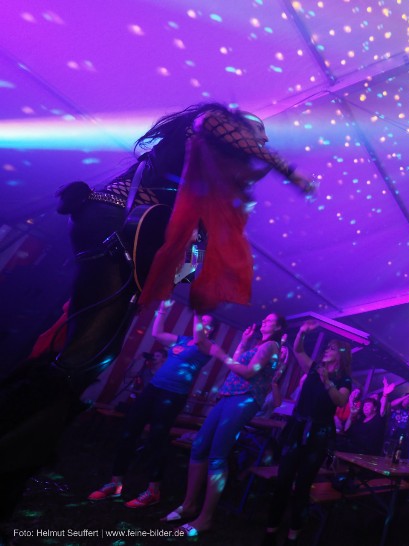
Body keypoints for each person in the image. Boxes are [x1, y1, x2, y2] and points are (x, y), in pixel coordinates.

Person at [0, 103, 314, 520]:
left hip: (127, 231)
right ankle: (13, 446)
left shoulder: (207, 168)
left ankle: (24, 452)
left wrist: (190, 261)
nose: (263, 140)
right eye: (257, 132)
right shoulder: (210, 125)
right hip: (115, 223)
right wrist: (292, 173)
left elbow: (207, 224)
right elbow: (247, 155)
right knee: (83, 358)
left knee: (93, 357)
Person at [163, 312, 286, 536]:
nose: (264, 321)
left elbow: (249, 372)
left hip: (245, 398)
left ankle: (206, 518)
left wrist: (220, 354)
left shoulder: (272, 346)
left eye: (270, 320)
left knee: (217, 455)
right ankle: (189, 504)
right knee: (199, 446)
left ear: (278, 328)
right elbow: (235, 363)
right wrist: (243, 342)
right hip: (229, 395)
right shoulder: (258, 344)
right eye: (265, 319)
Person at [87, 300, 219, 508]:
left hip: (173, 395)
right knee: (129, 431)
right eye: (202, 321)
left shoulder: (208, 346)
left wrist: (198, 310)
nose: (203, 324)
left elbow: (199, 335)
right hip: (153, 388)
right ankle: (115, 483)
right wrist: (162, 311)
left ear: (211, 330)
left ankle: (153, 491)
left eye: (207, 323)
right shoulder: (182, 340)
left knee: (156, 439)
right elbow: (157, 334)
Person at [263, 321, 352, 546]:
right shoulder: (313, 368)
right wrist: (301, 332)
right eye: (327, 347)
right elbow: (298, 350)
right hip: (298, 429)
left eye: (332, 348)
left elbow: (341, 401)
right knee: (283, 480)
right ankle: (271, 531)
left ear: (341, 355)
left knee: (303, 485)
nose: (326, 350)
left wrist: (327, 382)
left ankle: (293, 534)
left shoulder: (344, 379)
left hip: (318, 435)